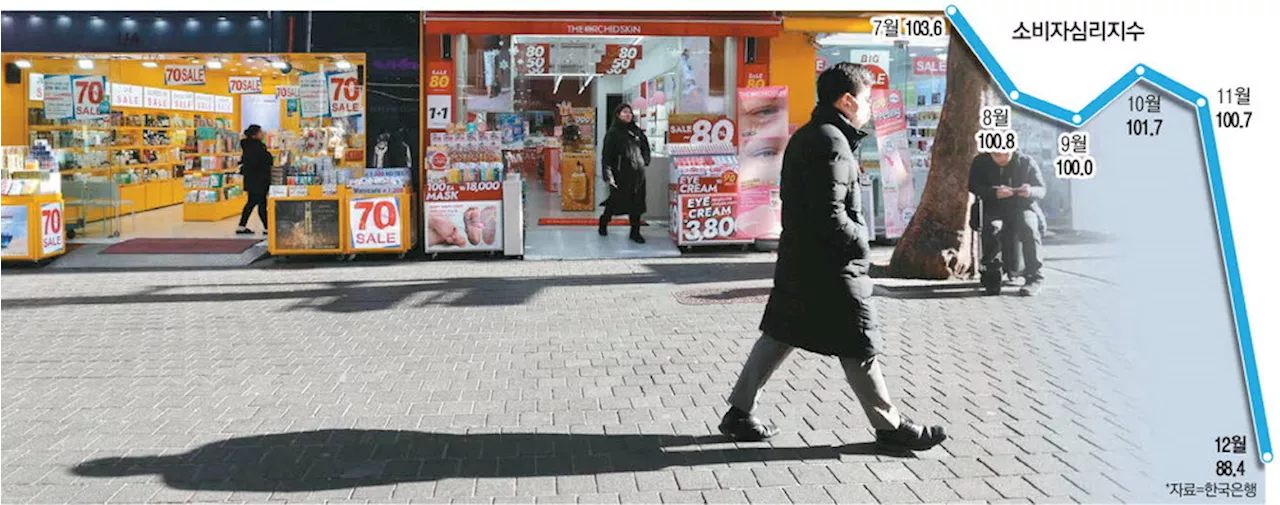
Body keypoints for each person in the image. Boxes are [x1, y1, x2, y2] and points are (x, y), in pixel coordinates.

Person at [718, 63, 947, 452]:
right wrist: (861, 241)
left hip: (803, 262)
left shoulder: (815, 135)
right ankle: (890, 426)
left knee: (780, 334)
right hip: (830, 267)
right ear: (846, 100)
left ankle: (739, 412)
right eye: (866, 100)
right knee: (858, 343)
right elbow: (831, 214)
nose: (870, 109)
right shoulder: (830, 142)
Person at [968, 150, 1047, 296]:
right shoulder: (980, 162)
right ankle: (992, 275)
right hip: (993, 206)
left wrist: (1030, 191)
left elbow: (1041, 189)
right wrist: (994, 192)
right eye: (996, 155)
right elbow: (973, 186)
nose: (1001, 159)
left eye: (1005, 154)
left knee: (1029, 228)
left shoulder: (1026, 161)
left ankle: (1034, 276)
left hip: (1022, 206)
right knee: (992, 228)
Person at [599, 104, 651, 244]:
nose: (628, 115)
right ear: (618, 115)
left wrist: (645, 160)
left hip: (638, 174)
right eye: (624, 112)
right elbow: (607, 156)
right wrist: (608, 174)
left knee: (637, 204)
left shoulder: (637, 131)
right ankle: (604, 221)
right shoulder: (613, 133)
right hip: (620, 174)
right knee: (615, 202)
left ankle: (635, 232)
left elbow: (645, 147)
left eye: (629, 112)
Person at [236, 125, 273, 236]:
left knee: (253, 203)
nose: (263, 134)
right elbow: (265, 161)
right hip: (259, 179)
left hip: (251, 179)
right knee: (260, 204)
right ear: (254, 135)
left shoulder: (247, 147)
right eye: (260, 132)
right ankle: (266, 228)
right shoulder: (257, 148)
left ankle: (242, 226)